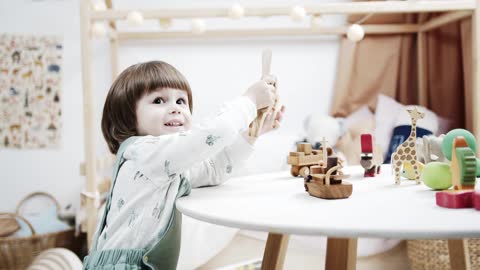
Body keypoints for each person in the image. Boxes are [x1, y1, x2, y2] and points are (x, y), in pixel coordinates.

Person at [83, 60, 285, 269]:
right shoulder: (145, 152)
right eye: (159, 100)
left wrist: (251, 134)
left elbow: (213, 169)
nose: (175, 109)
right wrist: (249, 101)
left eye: (181, 101)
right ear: (128, 115)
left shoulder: (169, 166)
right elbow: (215, 133)